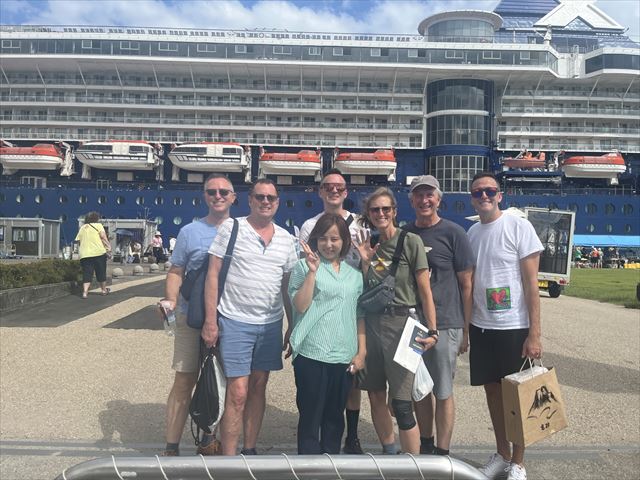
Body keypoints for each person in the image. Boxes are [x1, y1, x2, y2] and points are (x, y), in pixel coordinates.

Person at [203, 178, 298, 456]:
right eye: (260, 197)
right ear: (250, 200)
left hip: (269, 324)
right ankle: (229, 460)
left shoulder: (285, 239)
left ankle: (250, 449)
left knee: (259, 386)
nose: (265, 202)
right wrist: (211, 321)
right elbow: (212, 275)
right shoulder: (231, 228)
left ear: (277, 202)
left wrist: (291, 323)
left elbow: (287, 285)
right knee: (238, 392)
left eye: (270, 197)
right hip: (234, 321)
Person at [467, 172, 543, 480]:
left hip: (513, 324)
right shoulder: (471, 233)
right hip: (482, 325)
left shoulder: (518, 226)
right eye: (478, 192)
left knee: (519, 396)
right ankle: (502, 452)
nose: (484, 196)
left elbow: (531, 283)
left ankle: (519, 462)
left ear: (500, 194)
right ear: (472, 198)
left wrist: (534, 333)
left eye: (490, 191)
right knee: (493, 392)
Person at [354, 187, 438, 455]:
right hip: (373, 323)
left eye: (385, 209)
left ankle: (411, 465)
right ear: (368, 214)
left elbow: (424, 290)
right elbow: (370, 288)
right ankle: (390, 453)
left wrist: (433, 331)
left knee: (402, 403)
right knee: (375, 393)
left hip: (405, 323)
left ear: (394, 211)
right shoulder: (371, 248)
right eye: (375, 209)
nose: (381, 214)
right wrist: (366, 261)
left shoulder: (410, 241)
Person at [160, 173, 236, 456]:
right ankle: (171, 445)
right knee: (185, 378)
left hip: (229, 317)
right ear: (204, 196)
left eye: (223, 192)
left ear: (233, 197)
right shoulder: (189, 232)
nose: (218, 196)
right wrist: (169, 301)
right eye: (212, 192)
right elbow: (176, 271)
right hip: (190, 316)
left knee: (224, 380)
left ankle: (209, 438)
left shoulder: (241, 230)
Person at [402, 175, 474, 457]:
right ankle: (426, 440)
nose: (424, 200)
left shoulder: (454, 233)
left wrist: (466, 331)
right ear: (411, 200)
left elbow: (467, 284)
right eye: (418, 195)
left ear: (438, 199)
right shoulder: (406, 234)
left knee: (443, 389)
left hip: (446, 323)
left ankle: (443, 451)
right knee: (419, 388)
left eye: (429, 195)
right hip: (413, 324)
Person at [298, 168, 367, 454]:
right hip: (316, 333)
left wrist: (365, 263)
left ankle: (350, 437)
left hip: (348, 321)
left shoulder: (361, 224)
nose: (334, 190)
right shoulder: (308, 226)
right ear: (320, 191)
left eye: (339, 186)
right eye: (328, 186)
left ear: (346, 191)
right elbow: (300, 288)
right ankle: (311, 457)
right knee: (313, 406)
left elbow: (370, 270)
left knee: (343, 397)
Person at [75, 211, 111, 299]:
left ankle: (85, 292)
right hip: (98, 252)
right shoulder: (98, 226)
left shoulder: (83, 227)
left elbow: (78, 241)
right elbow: (103, 237)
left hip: (85, 254)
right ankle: (103, 290)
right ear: (96, 218)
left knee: (87, 273)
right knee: (101, 271)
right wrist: (108, 247)